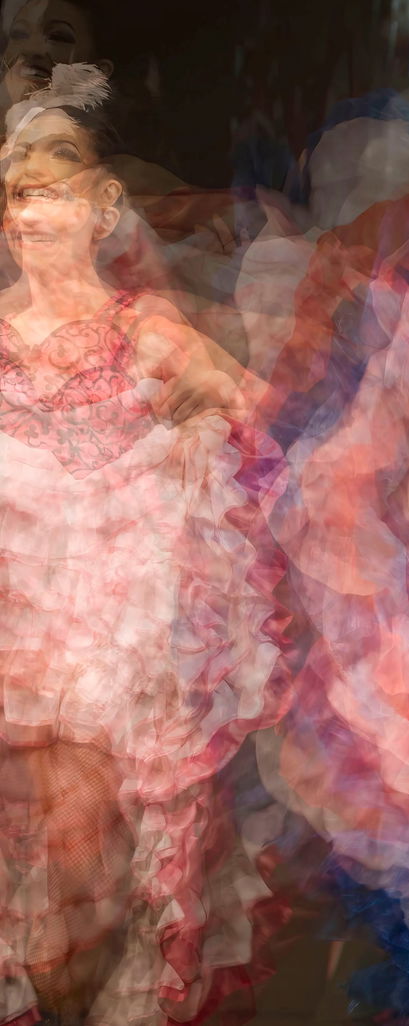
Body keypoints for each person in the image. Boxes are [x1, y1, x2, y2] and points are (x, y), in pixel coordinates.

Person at [0, 64, 286, 1024]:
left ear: (102, 203)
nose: (32, 201)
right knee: (37, 871)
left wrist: (204, 432)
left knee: (109, 862)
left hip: (123, 646)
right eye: (15, 186)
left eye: (55, 179)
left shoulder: (144, 332)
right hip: (18, 644)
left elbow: (261, 434)